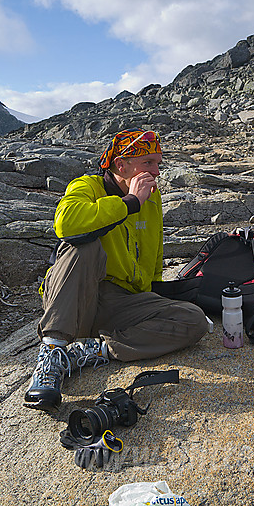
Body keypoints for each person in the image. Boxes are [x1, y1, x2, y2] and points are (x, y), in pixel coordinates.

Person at [24, 129, 210, 411]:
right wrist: (130, 202)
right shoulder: (87, 186)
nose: (157, 171)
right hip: (76, 297)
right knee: (83, 246)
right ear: (121, 165)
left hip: (119, 302)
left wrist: (154, 301)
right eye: (148, 163)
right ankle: (51, 354)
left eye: (158, 163)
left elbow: (153, 251)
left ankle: (91, 351)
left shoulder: (152, 196)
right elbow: (65, 224)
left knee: (194, 320)